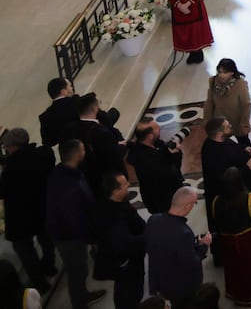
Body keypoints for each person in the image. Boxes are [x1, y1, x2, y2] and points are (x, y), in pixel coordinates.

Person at [0, 127, 55, 289]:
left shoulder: (9, 170)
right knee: (46, 240)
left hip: (20, 216)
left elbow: (3, 191)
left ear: (12, 146)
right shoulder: (43, 154)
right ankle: (49, 266)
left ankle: (39, 282)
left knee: (25, 250)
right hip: (42, 207)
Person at [45, 140, 94, 309]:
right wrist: (89, 236)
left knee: (80, 270)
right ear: (77, 153)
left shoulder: (62, 172)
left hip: (69, 234)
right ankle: (80, 304)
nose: (85, 151)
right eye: (83, 148)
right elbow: (73, 217)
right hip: (69, 237)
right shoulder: (69, 186)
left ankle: (83, 295)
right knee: (77, 272)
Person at [208, 169, 251, 305]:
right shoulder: (250, 199)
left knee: (233, 270)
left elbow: (216, 222)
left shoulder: (216, 201)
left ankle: (237, 295)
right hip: (249, 240)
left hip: (228, 242)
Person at [145, 187, 209, 307]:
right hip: (180, 285)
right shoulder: (183, 233)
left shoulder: (153, 219)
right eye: (194, 203)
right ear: (187, 206)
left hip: (160, 279)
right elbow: (192, 262)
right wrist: (204, 244)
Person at [96, 173, 145, 309]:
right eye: (124, 184)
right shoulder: (113, 218)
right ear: (115, 190)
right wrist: (148, 237)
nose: (129, 185)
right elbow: (125, 243)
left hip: (131, 262)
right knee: (129, 295)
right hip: (126, 265)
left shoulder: (118, 202)